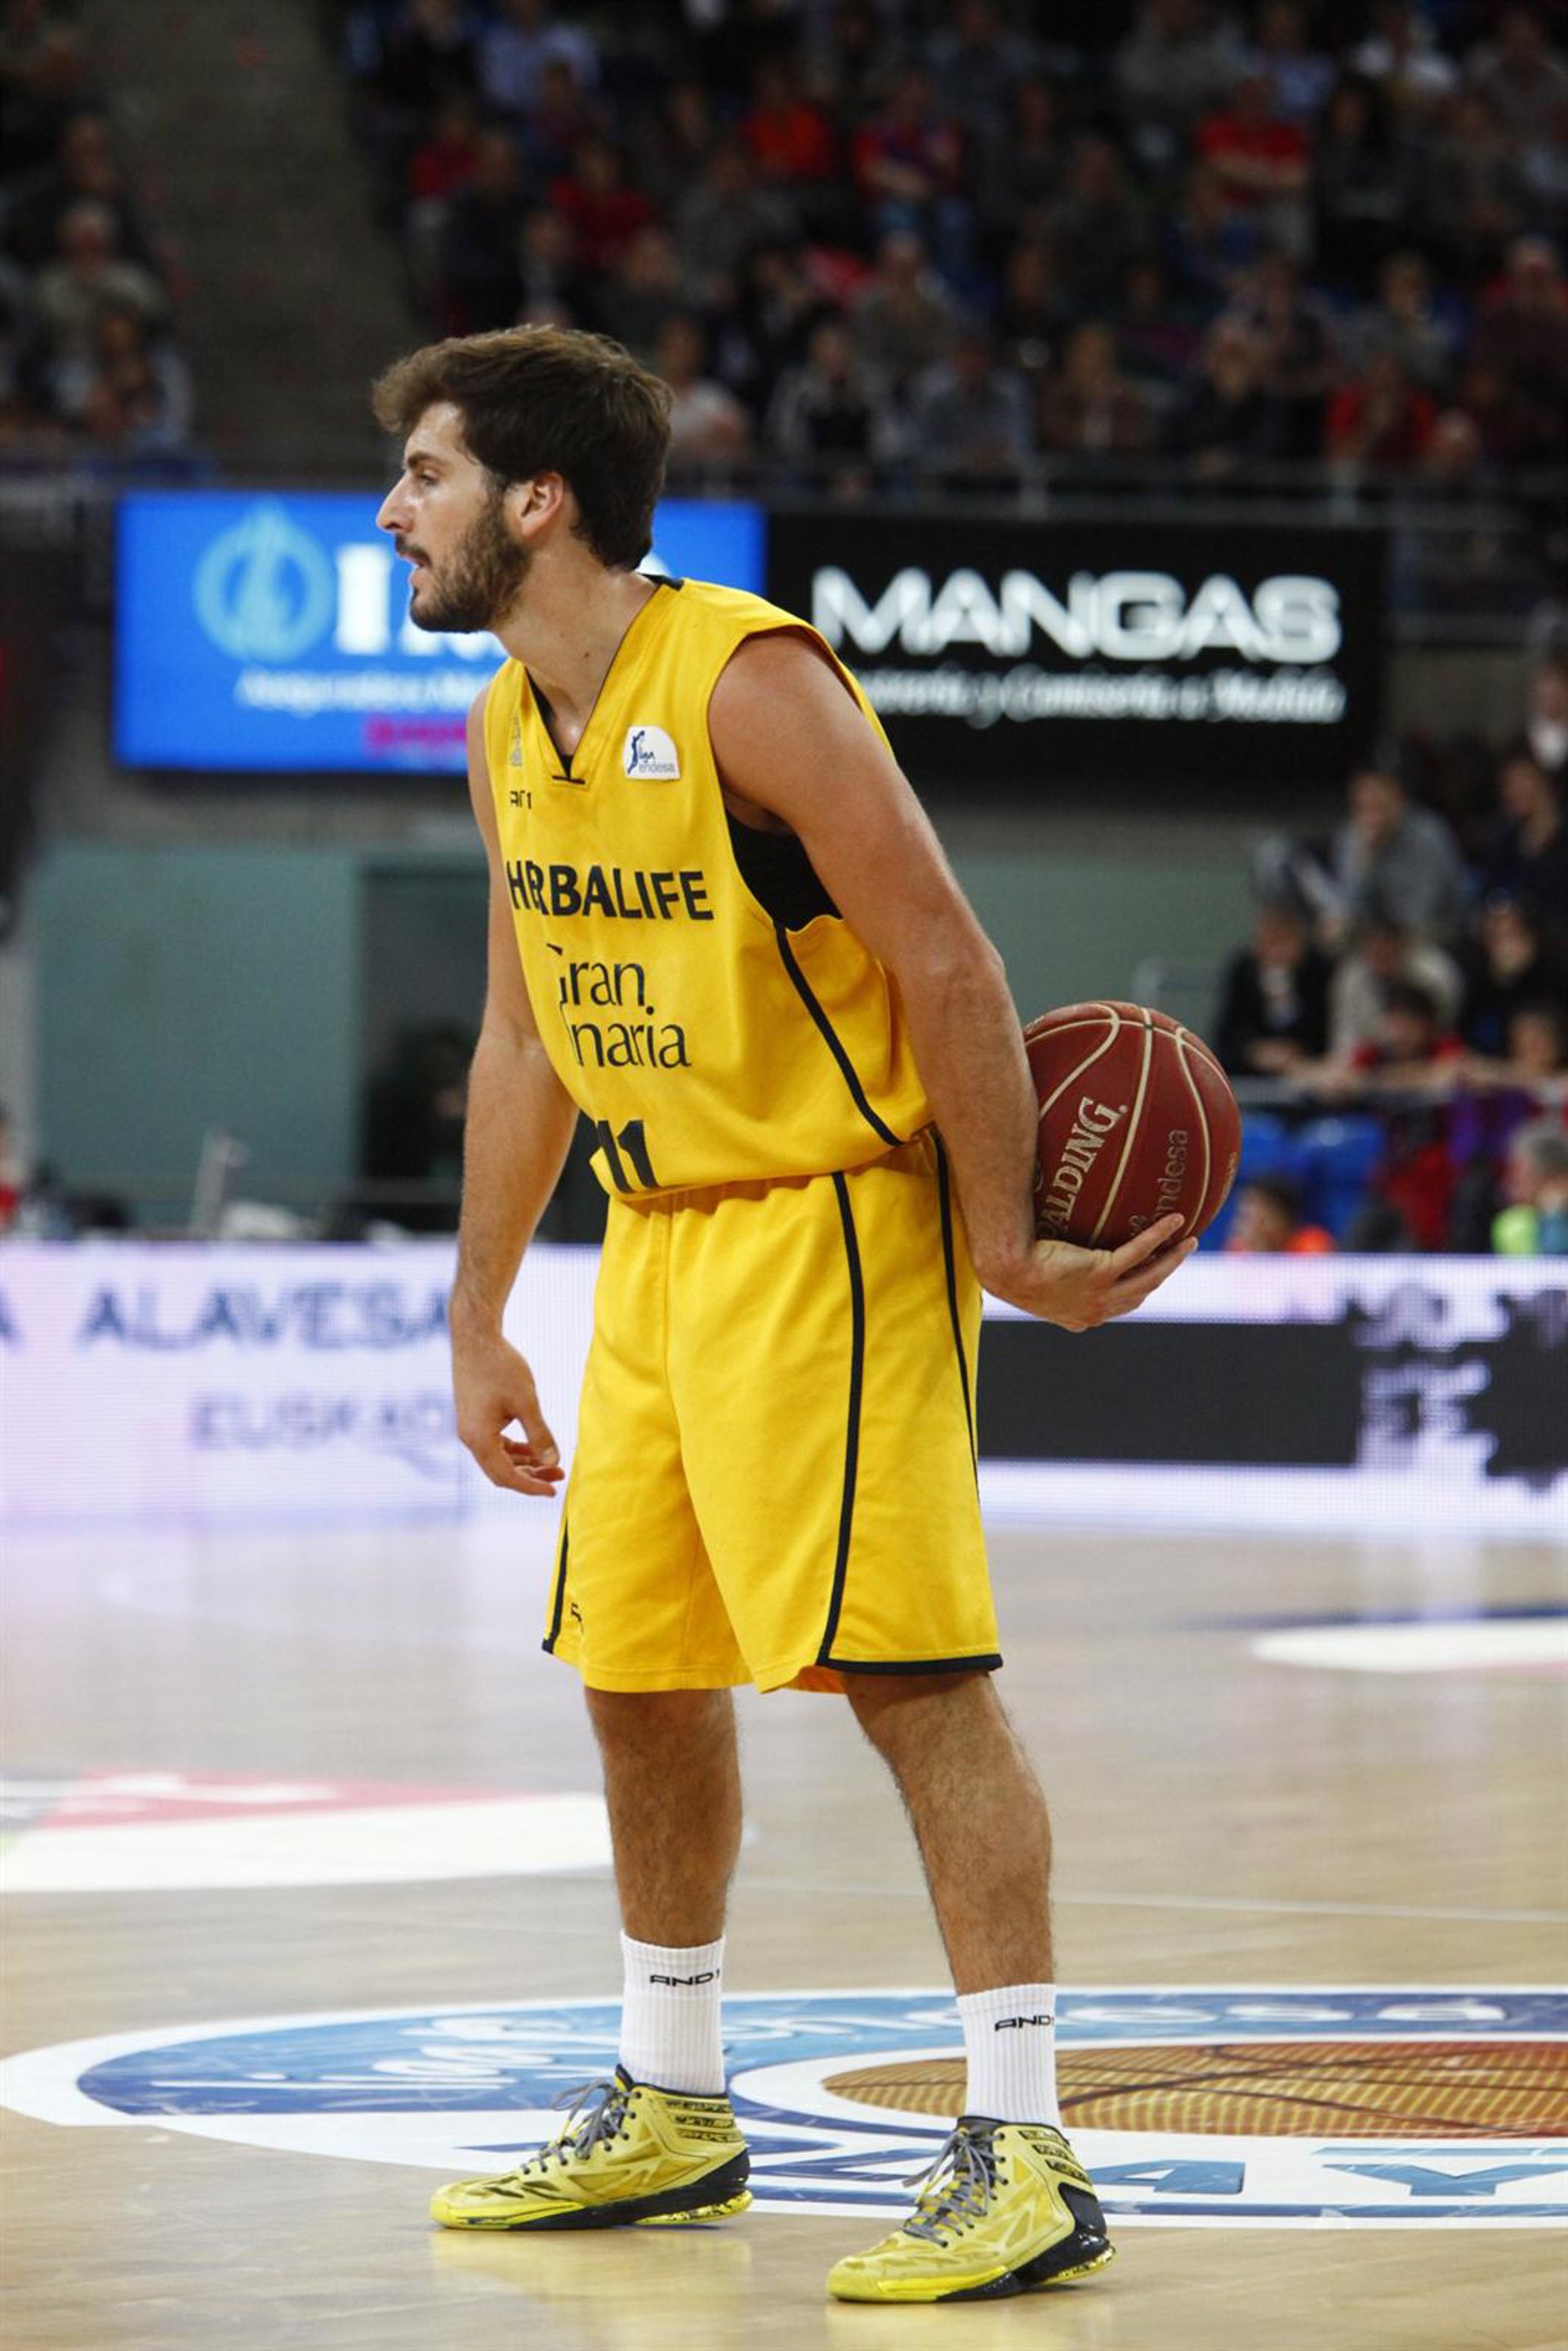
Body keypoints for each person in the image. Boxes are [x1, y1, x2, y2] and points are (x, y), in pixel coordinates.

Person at [372, 323, 1192, 2303]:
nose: (395, 510)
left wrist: (1002, 1236)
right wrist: (479, 1311)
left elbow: (945, 956)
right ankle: (672, 2096)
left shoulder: (749, 681)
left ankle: (1022, 2140)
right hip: (657, 1240)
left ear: (539, 500)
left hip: (830, 1224)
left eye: (426, 472)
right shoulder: (504, 730)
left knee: (912, 1678)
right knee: (637, 1670)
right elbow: (521, 1040)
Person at [1224, 1174, 1334, 1253]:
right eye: (1243, 1214)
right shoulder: (1238, 1248)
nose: (1241, 1222)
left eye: (1251, 1214)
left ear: (1281, 1216)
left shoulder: (1312, 1245)